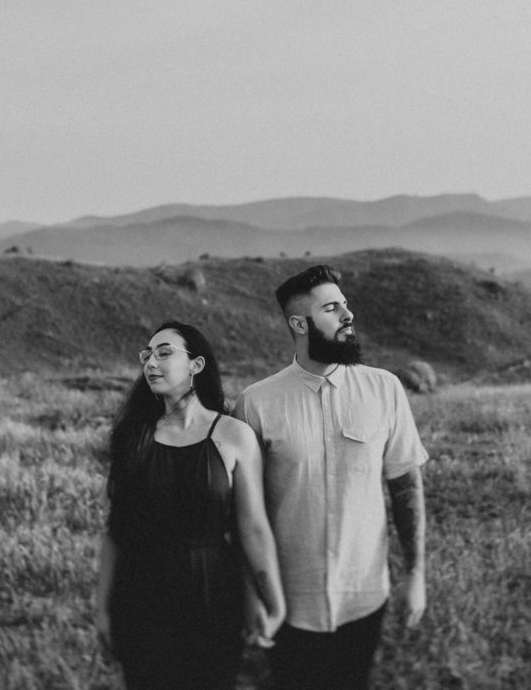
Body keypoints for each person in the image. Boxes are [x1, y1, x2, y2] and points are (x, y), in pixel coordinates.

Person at [233, 265, 429, 690]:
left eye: (346, 304)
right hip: (288, 601)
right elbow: (243, 514)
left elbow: (405, 485)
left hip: (364, 597)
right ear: (299, 324)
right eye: (332, 307)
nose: (347, 314)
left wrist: (415, 576)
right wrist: (252, 595)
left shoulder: (385, 389)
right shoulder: (255, 404)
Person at [97, 321, 286, 690]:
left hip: (213, 596)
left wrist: (272, 600)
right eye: (147, 355)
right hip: (140, 597)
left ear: (196, 365)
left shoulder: (233, 436)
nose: (151, 362)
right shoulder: (134, 436)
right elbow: (115, 531)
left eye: (164, 353)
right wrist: (102, 608)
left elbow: (253, 527)